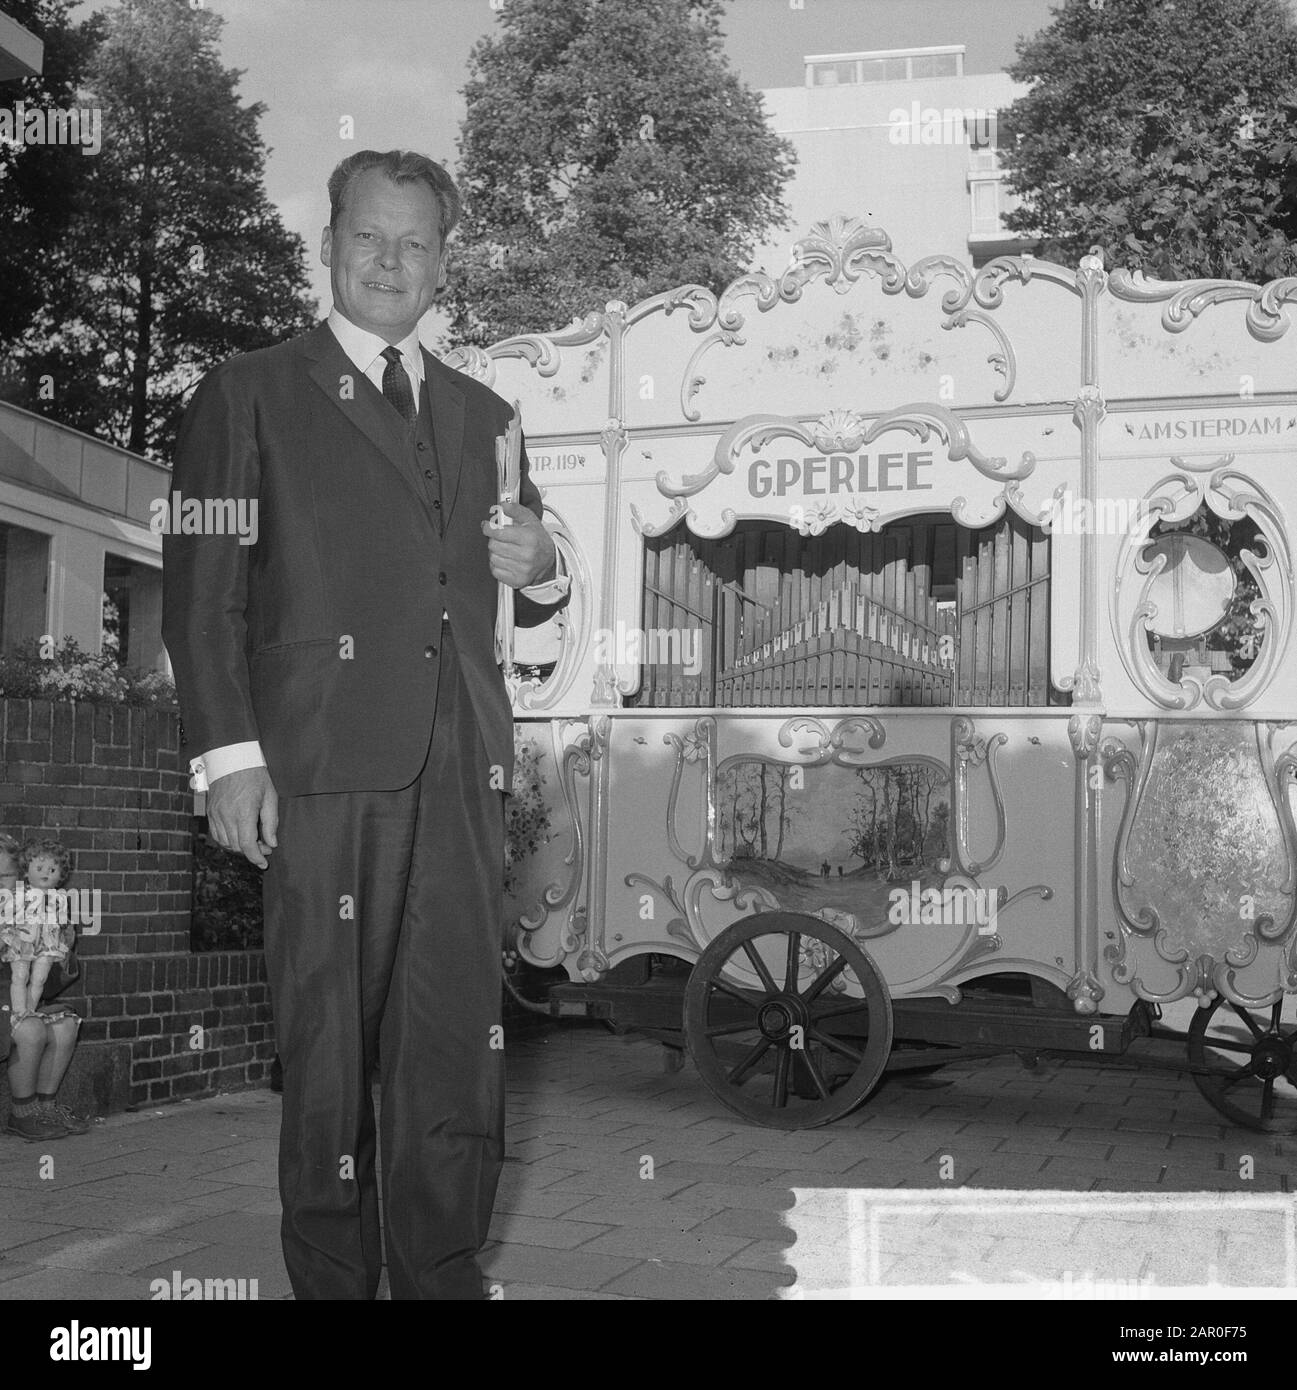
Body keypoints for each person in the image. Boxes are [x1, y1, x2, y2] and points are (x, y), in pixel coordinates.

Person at [162, 150, 566, 1301]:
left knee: (452, 1045)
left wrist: (544, 569)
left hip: (460, 770)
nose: (392, 263)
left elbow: (511, 571)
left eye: (416, 243)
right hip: (320, 764)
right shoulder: (246, 390)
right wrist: (229, 756)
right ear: (328, 246)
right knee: (329, 1054)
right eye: (369, 239)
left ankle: (439, 1273)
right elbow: (201, 592)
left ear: (445, 260)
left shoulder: (489, 413)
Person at [1, 834, 88, 1142]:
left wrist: (63, 950)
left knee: (65, 1026)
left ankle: (46, 1107)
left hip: (25, 999)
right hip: (5, 1003)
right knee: (31, 1029)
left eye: (7, 877)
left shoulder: (38, 908)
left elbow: (51, 986)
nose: (3, 885)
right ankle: (21, 1113)